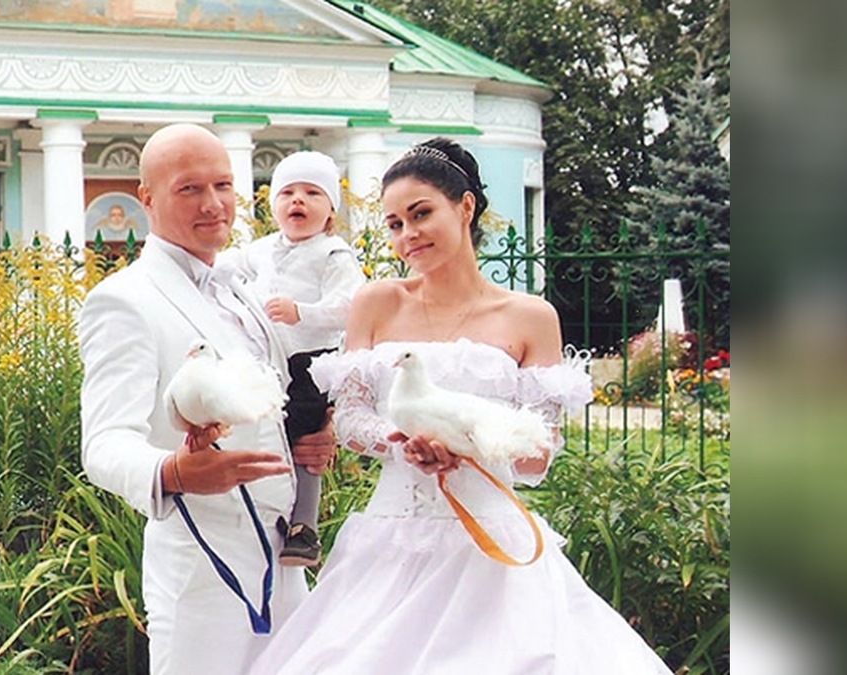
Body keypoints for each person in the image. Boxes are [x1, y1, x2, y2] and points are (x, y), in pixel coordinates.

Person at [250, 138, 674, 674]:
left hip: (491, 546)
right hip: (392, 539)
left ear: (465, 206)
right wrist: (402, 443)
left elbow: (539, 453)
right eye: (395, 224)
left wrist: (468, 447)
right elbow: (352, 421)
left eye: (421, 214)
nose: (408, 234)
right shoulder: (376, 303)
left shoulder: (530, 316)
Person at [77, 123, 336, 675]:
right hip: (201, 568)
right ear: (147, 198)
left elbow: (273, 405)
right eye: (189, 189)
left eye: (223, 185)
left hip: (284, 561)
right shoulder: (123, 300)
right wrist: (173, 471)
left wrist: (314, 436)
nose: (213, 204)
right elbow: (104, 444)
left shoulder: (243, 290)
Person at [221, 150, 366, 566]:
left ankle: (304, 526)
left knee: (305, 440)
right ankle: (261, 514)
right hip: (267, 364)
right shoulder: (262, 249)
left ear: (331, 210)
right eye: (287, 193)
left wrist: (303, 312)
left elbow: (352, 305)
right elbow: (224, 267)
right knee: (263, 434)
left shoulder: (333, 254)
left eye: (312, 193)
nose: (297, 200)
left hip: (309, 363)